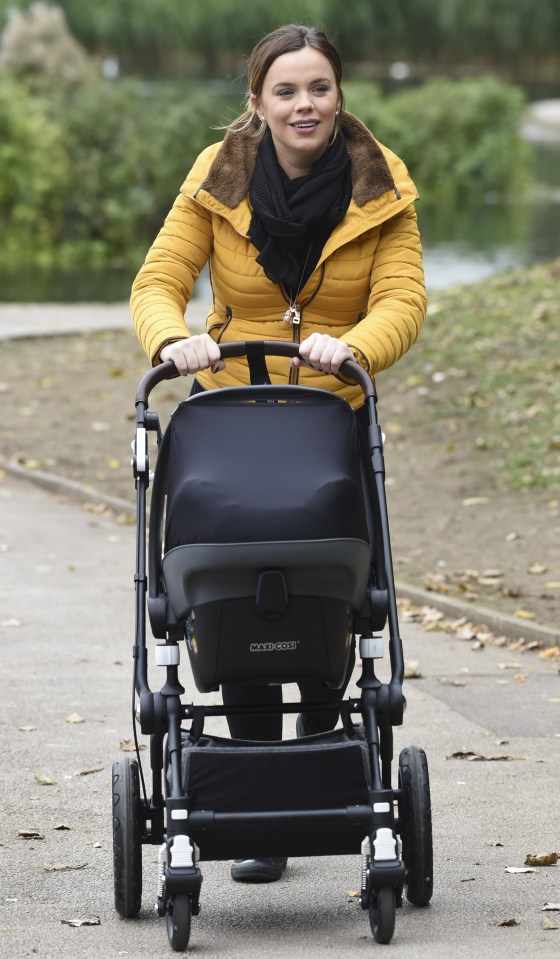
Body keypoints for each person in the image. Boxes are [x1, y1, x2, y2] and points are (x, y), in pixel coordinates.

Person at [131, 23, 426, 884]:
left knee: (329, 604)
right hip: (229, 418)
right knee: (235, 598)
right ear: (256, 101)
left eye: (320, 89)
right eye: (287, 91)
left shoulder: (381, 190)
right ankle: (255, 807)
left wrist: (356, 345)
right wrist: (172, 339)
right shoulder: (218, 178)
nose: (305, 105)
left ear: (340, 96)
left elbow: (403, 300)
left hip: (325, 421)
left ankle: (321, 769)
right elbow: (159, 279)